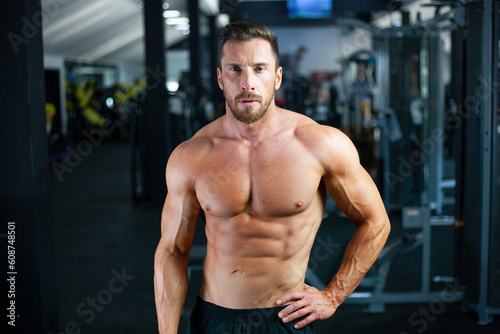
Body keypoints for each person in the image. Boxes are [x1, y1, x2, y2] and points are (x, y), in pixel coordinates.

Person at [154, 21, 391, 333]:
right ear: (220, 78)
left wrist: (333, 296)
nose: (247, 83)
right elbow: (172, 251)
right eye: (235, 69)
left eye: (260, 68)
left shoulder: (320, 144)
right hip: (215, 319)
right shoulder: (191, 156)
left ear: (277, 77)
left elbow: (376, 222)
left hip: (287, 319)